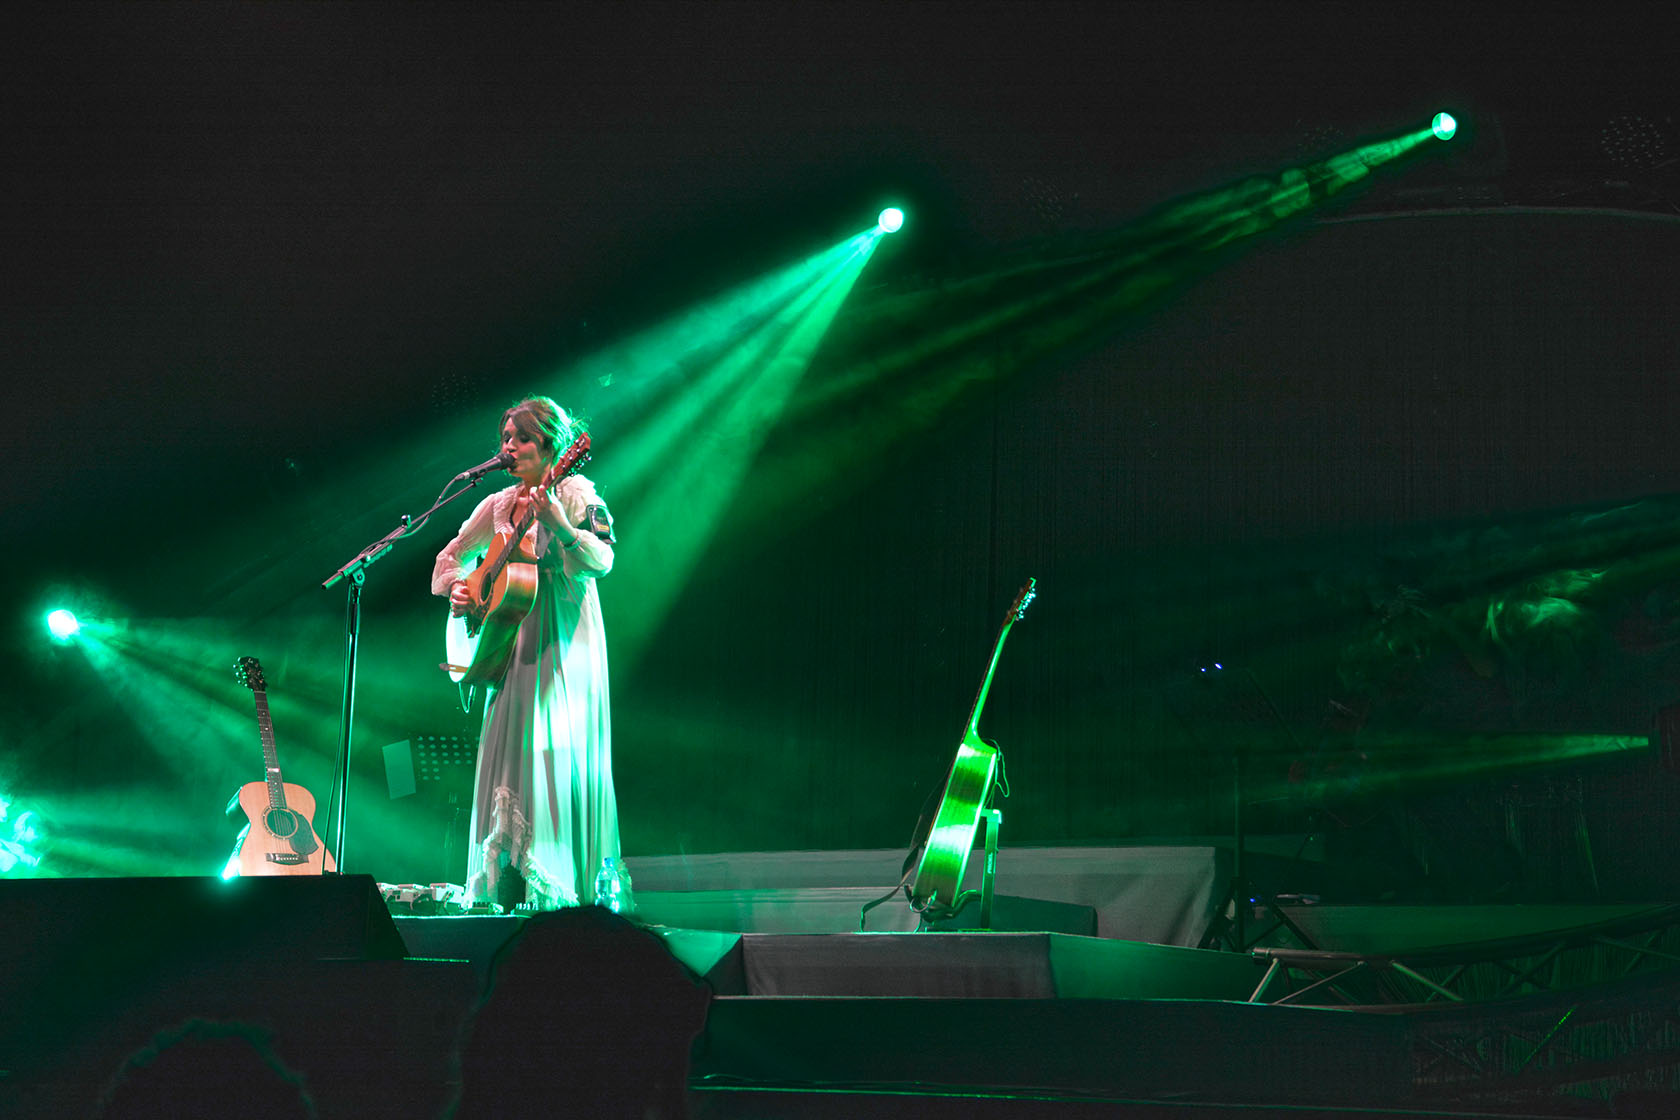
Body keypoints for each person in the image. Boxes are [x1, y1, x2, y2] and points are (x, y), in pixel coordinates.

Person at [432, 396, 619, 910]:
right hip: (509, 644)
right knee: (510, 749)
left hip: (561, 641)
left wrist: (559, 524)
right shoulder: (497, 504)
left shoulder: (576, 492)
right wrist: (461, 589)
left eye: (521, 438)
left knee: (547, 752)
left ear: (551, 446)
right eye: (505, 439)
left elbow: (603, 558)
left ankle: (557, 894)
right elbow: (449, 556)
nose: (509, 447)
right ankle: (506, 891)